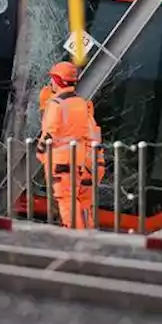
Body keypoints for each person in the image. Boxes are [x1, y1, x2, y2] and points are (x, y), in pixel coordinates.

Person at [37, 61, 103, 229]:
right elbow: (89, 136)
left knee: (66, 200)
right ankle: (86, 235)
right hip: (84, 161)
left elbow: (49, 133)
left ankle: (76, 237)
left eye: (53, 79)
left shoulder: (56, 104)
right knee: (81, 204)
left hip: (61, 159)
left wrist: (40, 151)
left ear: (58, 81)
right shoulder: (82, 105)